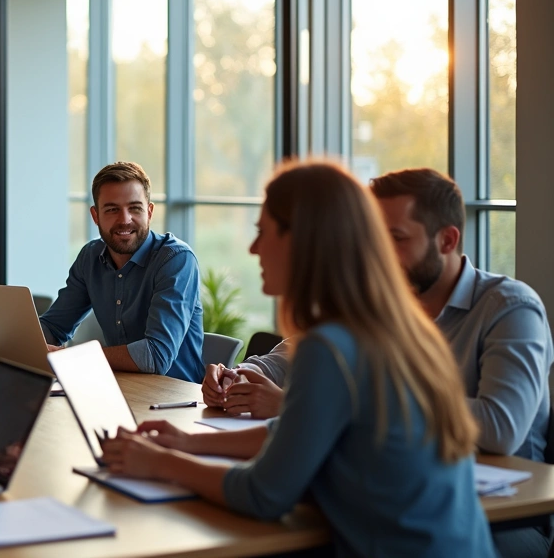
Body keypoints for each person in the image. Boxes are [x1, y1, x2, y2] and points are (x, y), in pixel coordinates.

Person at [102, 160, 496, 557]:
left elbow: (263, 494)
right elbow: (298, 433)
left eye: (262, 232)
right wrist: (189, 443)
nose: (253, 248)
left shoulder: (330, 347)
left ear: (301, 240)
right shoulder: (392, 325)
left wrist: (161, 463)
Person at [202, 169, 553, 461]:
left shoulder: (510, 309)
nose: (380, 254)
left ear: (446, 241)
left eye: (396, 239)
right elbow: (302, 351)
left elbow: (500, 429)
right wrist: (242, 375)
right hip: (405, 485)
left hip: (512, 511)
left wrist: (315, 407)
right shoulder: (386, 298)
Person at [39, 161, 204, 381]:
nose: (125, 220)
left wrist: (70, 356)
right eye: (112, 209)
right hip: (118, 391)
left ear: (150, 211)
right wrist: (12, 341)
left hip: (177, 401)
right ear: (95, 216)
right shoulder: (90, 257)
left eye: (135, 208)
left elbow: (155, 356)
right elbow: (54, 327)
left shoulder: (176, 260)